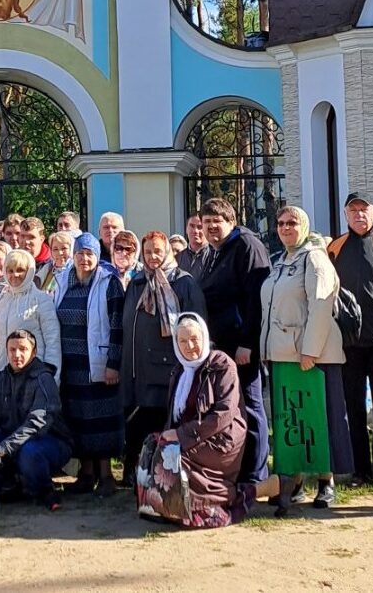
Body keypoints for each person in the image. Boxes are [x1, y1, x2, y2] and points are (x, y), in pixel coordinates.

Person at [136, 314, 277, 528]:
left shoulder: (222, 364)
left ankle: (219, 501)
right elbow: (174, 417)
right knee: (152, 447)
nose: (190, 346)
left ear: (204, 337)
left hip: (220, 440)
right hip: (193, 437)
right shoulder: (180, 371)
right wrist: (165, 439)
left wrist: (181, 437)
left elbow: (222, 415)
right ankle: (164, 506)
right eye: (182, 341)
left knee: (173, 459)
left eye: (194, 339)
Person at [260, 207, 354, 515]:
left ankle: (326, 481)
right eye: (281, 222)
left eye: (292, 223)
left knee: (318, 418)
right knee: (292, 421)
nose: (286, 227)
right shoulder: (280, 261)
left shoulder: (314, 258)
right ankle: (295, 480)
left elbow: (321, 305)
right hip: (283, 355)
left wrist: (310, 350)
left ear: (305, 227)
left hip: (311, 356)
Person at [121, 231, 206, 484]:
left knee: (160, 419)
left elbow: (196, 323)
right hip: (136, 367)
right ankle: (133, 469)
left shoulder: (184, 283)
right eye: (148, 252)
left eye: (158, 251)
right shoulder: (137, 283)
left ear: (168, 251)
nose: (153, 257)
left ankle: (161, 474)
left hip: (167, 367)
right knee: (137, 420)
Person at [195, 198, 270, 484]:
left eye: (218, 221)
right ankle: (238, 469)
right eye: (207, 222)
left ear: (231, 221)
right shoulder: (215, 251)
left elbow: (255, 298)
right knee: (233, 407)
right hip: (221, 344)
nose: (212, 227)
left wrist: (248, 342)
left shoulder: (247, 247)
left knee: (251, 406)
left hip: (241, 344)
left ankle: (256, 474)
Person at [327, 193, 373, 487]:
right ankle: (360, 470)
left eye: (363, 210)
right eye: (353, 210)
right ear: (346, 214)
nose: (358, 215)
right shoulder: (335, 248)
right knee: (353, 407)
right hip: (348, 344)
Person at [0, 330, 73, 511]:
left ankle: (44, 491)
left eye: (22, 349)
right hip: (10, 442)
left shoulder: (44, 380)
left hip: (49, 442)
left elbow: (34, 426)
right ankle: (7, 484)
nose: (17, 354)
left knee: (30, 452)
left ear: (33, 353)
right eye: (12, 350)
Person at [54, 232, 124, 498]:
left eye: (90, 254)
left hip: (98, 364)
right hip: (71, 366)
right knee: (78, 420)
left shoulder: (109, 283)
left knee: (102, 420)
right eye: (80, 253)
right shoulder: (62, 281)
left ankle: (106, 476)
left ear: (98, 256)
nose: (84, 258)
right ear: (73, 255)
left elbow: (117, 325)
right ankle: (85, 473)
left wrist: (113, 364)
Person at [0, 250, 61, 379]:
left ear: (29, 271)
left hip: (33, 376)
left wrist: (51, 378)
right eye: (10, 270)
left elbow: (52, 341)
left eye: (20, 270)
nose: (15, 275)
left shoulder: (41, 300)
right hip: (2, 375)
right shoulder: (1, 299)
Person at [20, 217, 53, 288]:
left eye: (31, 237)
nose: (26, 241)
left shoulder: (53, 265)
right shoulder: (12, 261)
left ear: (41, 239)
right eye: (22, 236)